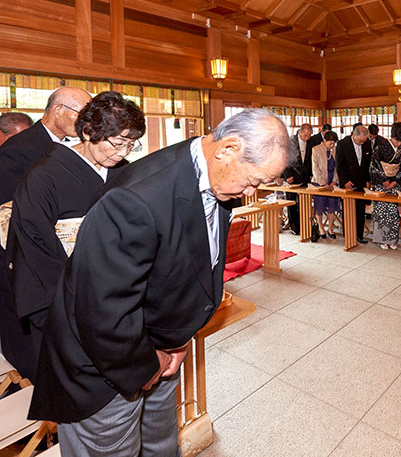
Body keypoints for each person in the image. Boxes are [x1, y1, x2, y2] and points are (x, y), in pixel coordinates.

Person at [28, 109, 289, 455]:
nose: (252, 191)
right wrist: (148, 365)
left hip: (161, 349)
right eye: (254, 179)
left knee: (161, 448)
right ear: (229, 148)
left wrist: (177, 343)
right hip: (107, 369)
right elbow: (101, 309)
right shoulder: (139, 197)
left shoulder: (211, 177)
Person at [4, 91, 146, 382]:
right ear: (88, 131)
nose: (123, 153)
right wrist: (72, 299)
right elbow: (35, 244)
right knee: (77, 382)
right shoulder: (43, 176)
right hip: (66, 294)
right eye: (118, 142)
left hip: (116, 291)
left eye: (131, 144)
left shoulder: (124, 172)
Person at [0, 86, 91, 379]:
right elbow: (9, 214)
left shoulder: (72, 148)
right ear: (58, 110)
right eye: (82, 114)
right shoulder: (20, 149)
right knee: (31, 348)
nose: (87, 122)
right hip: (24, 259)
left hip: (64, 259)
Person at [370, 122, 401, 251]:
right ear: (392, 136)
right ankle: (382, 239)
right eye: (397, 140)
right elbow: (374, 166)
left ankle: (392, 239)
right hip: (381, 184)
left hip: (394, 184)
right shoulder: (380, 147)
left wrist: (394, 182)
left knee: (393, 213)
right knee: (382, 212)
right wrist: (383, 181)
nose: (399, 143)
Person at [335, 125, 372, 244]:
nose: (362, 143)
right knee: (348, 209)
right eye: (360, 140)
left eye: (364, 141)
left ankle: (359, 235)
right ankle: (348, 235)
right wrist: (345, 181)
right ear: (354, 135)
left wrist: (368, 180)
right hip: (348, 182)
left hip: (361, 181)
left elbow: (367, 164)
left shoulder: (367, 144)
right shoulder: (342, 144)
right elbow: (339, 166)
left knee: (360, 210)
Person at [282, 123, 313, 235]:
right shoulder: (290, 141)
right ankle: (294, 227)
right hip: (292, 175)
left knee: (304, 202)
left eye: (309, 135)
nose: (307, 138)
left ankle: (304, 224)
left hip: (304, 176)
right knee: (292, 202)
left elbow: (309, 159)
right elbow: (284, 159)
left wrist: (310, 174)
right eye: (305, 135)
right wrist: (287, 175)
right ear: (299, 132)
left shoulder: (310, 141)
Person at [311, 130, 340, 239]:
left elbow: (338, 167)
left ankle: (331, 228)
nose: (332, 145)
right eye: (330, 143)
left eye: (334, 143)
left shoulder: (336, 150)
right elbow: (315, 168)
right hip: (319, 183)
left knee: (332, 206)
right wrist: (322, 183)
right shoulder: (316, 149)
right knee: (319, 206)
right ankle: (321, 228)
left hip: (332, 183)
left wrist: (334, 181)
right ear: (324, 141)